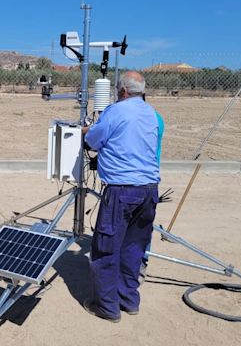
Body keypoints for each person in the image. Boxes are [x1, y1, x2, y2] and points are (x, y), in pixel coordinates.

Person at [82, 71, 162, 322]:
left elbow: (93, 141)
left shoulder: (116, 111)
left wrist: (86, 130)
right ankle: (129, 300)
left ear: (123, 92)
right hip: (149, 191)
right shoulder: (151, 113)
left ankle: (107, 307)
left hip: (121, 192)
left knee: (106, 248)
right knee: (134, 247)